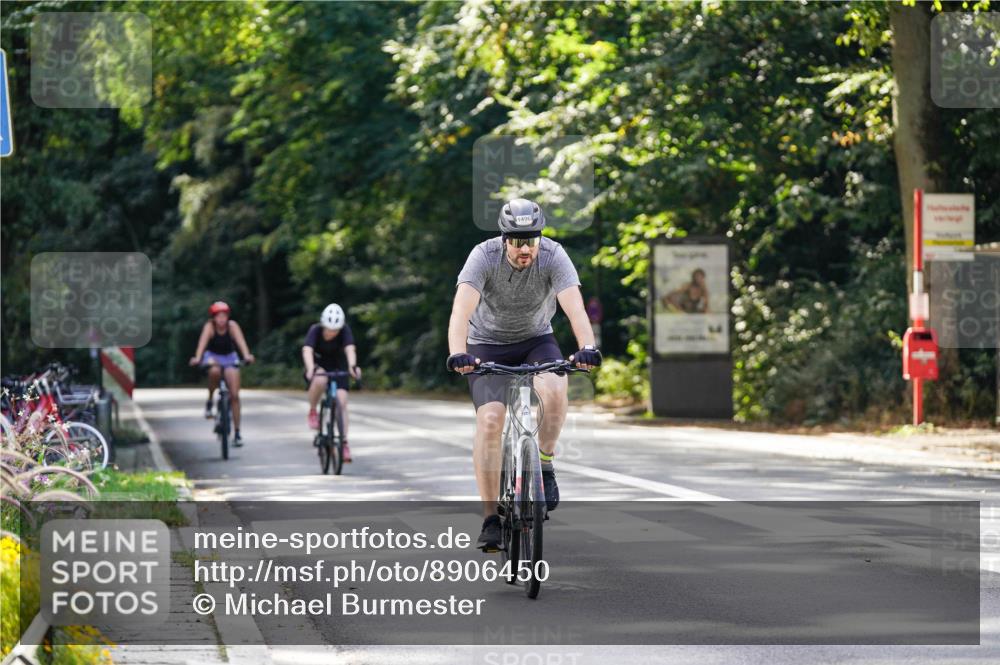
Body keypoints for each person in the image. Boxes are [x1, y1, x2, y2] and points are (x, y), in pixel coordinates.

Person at [446, 198, 602, 552]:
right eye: (517, 241)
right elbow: (460, 311)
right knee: (491, 420)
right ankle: (490, 518)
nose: (524, 249)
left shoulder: (553, 255)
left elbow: (574, 308)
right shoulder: (483, 257)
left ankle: (544, 464)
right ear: (504, 240)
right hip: (486, 344)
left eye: (531, 240)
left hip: (536, 340)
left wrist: (588, 346)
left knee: (556, 391)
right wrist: (459, 352)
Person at [189, 301, 255, 447]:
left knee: (235, 395)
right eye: (218, 316)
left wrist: (247, 355)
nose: (221, 319)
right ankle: (210, 400)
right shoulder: (209, 327)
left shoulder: (232, 327)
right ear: (213, 318)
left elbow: (241, 344)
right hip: (213, 357)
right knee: (214, 371)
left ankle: (237, 433)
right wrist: (198, 358)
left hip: (230, 357)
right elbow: (202, 345)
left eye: (224, 316)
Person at [303, 303, 362, 462]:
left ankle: (344, 443)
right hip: (319, 365)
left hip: (339, 366)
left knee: (342, 402)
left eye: (335, 330)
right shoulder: (315, 330)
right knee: (320, 378)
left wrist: (352, 366)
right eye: (329, 329)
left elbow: (350, 349)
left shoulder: (345, 331)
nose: (331, 333)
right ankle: (313, 410)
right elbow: (307, 350)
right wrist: (310, 369)